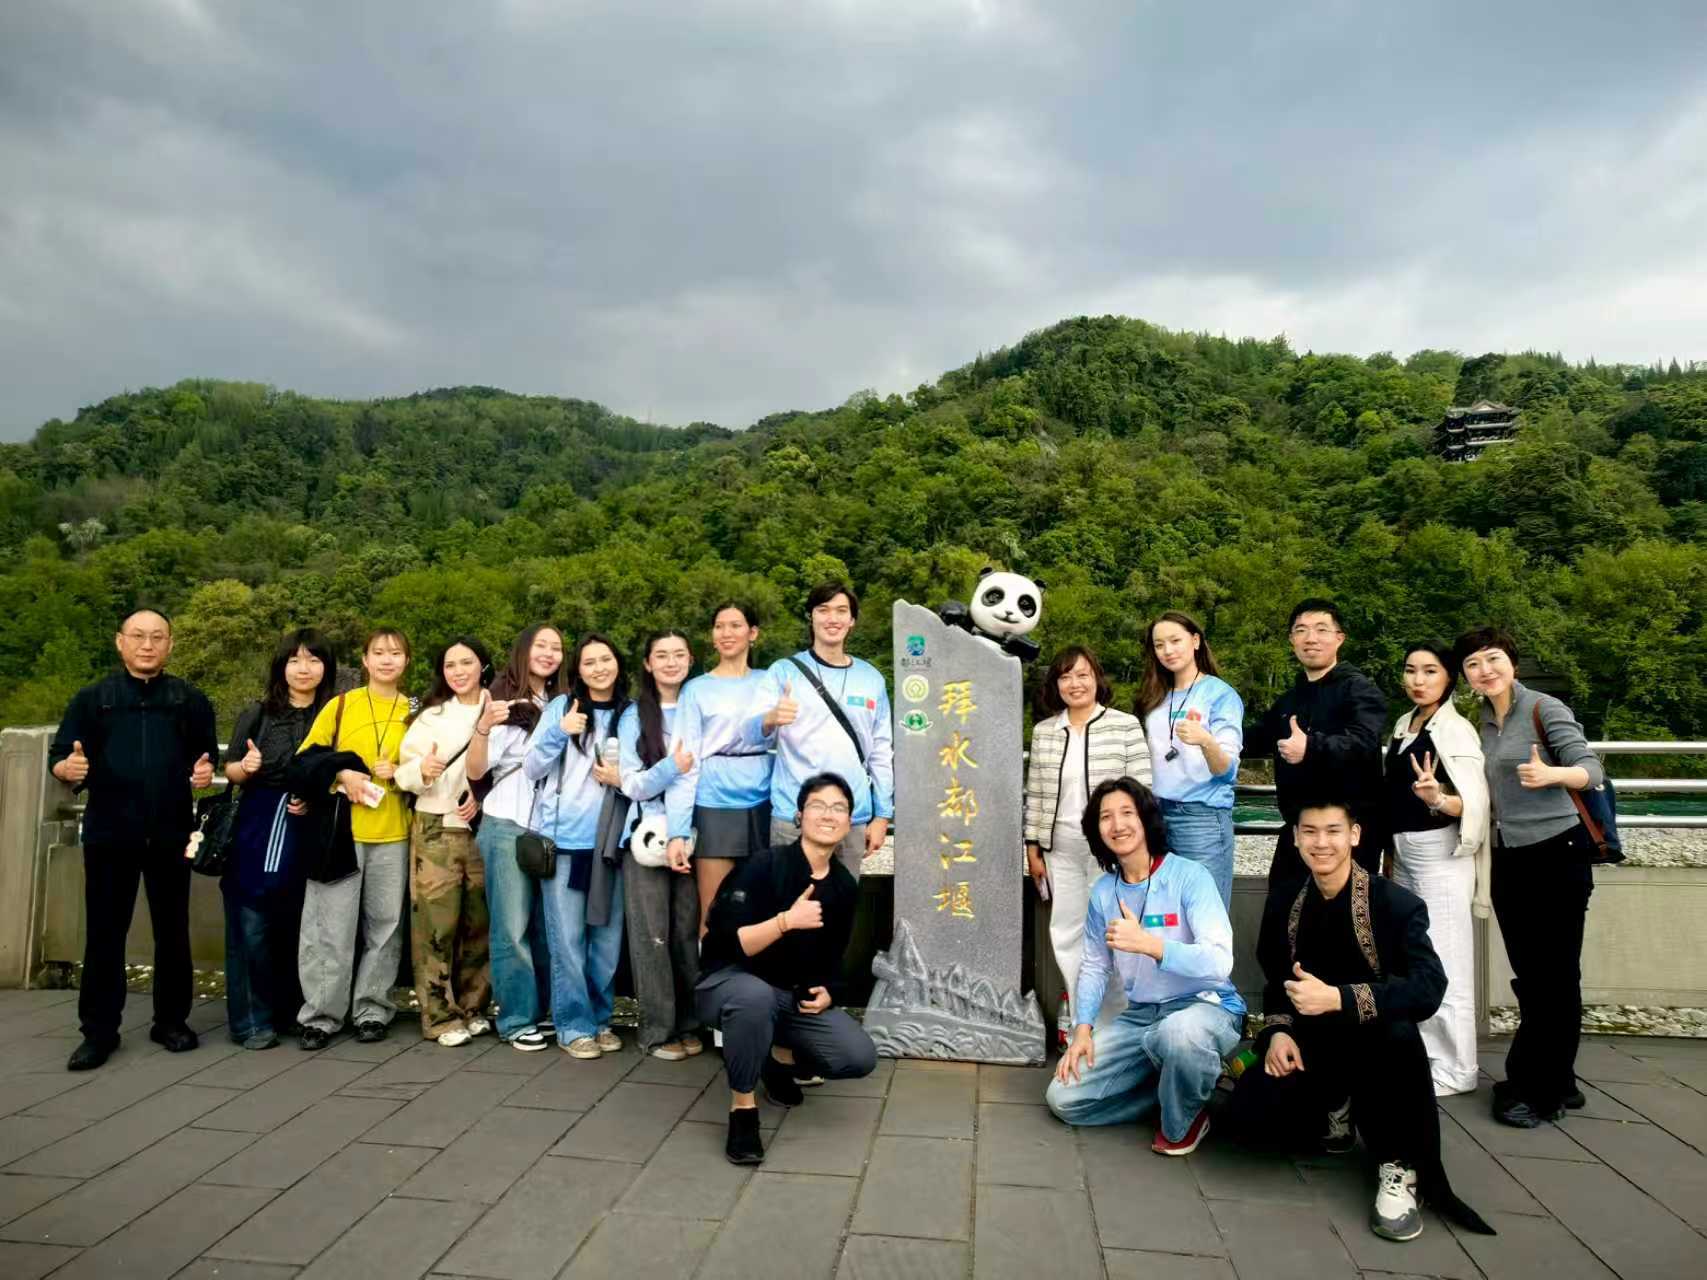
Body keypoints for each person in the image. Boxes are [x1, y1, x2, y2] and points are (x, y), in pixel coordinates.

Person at [1227, 797, 1494, 1244]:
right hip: (1312, 1043)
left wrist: (1339, 998)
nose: (1321, 842)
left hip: (1378, 1046)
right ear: (1295, 839)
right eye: (1310, 832)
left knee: (1398, 1033)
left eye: (1333, 831)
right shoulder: (1285, 902)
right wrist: (1277, 1033)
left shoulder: (1396, 904)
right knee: (1248, 1116)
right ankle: (1339, 1108)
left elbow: (1429, 988)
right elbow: (1276, 981)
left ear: (1354, 835)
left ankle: (1399, 1165)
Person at [49, 607, 219, 1071]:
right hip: (109, 831)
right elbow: (60, 756)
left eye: (157, 637)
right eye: (138, 636)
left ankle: (171, 1021)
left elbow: (205, 757)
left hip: (170, 830)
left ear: (170, 644)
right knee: (105, 933)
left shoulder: (189, 699)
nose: (148, 645)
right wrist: (67, 768)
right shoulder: (93, 699)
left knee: (172, 930)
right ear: (119, 641)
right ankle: (98, 1032)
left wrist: (204, 771)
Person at [1045, 778, 1244, 1156]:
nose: (1117, 824)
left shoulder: (1190, 876)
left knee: (1179, 1034)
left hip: (1204, 1005)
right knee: (1064, 1099)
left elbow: (1220, 961)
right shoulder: (1104, 892)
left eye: (1127, 813)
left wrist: (1151, 945)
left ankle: (1185, 1119)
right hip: (1142, 1017)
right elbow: (1094, 966)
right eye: (1106, 817)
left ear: (1146, 818)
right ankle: (1172, 1090)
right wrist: (1082, 1030)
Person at [1456, 627, 1603, 1127]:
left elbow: (1591, 769)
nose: (1485, 671)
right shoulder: (1480, 722)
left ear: (1512, 662)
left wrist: (1553, 775)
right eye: (1473, 664)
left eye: (1493, 659)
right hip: (1508, 859)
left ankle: (1528, 1087)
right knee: (1535, 974)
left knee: (1554, 975)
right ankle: (1560, 1081)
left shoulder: (1543, 708)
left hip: (1558, 852)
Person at [697, 773, 879, 1165]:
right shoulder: (764, 865)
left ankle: (773, 1061)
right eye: (818, 805)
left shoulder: (844, 887)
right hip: (728, 986)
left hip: (785, 998)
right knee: (754, 996)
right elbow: (723, 943)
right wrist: (786, 921)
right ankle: (743, 1109)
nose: (828, 815)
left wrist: (829, 990)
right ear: (799, 816)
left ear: (849, 822)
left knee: (858, 1056)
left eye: (839, 808)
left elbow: (833, 960)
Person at [293, 628, 413, 1050]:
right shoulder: (341, 705)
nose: (386, 660)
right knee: (328, 928)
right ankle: (320, 1016)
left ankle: (372, 1009)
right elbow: (305, 761)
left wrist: (400, 772)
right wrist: (342, 774)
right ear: (364, 660)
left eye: (395, 653)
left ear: (406, 661)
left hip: (395, 833)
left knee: (386, 927)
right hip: (340, 833)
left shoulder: (415, 710)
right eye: (378, 652)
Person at [220, 628, 337, 1051]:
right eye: (295, 660)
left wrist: (317, 792)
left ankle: (294, 1010)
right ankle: (251, 1020)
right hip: (262, 820)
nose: (304, 669)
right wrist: (247, 767)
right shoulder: (259, 712)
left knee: (301, 919)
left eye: (314, 659)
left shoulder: (335, 712)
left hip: (315, 823)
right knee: (253, 916)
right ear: (281, 666)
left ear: (327, 667)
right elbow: (232, 769)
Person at [1023, 646, 1152, 1026]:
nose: (1075, 684)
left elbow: (1143, 791)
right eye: (1065, 677)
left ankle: (1117, 1024)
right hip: (1060, 848)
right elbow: (1036, 794)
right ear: (1056, 685)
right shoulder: (1045, 732)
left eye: (1082, 674)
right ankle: (1084, 1020)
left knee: (1112, 929)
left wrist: (1137, 847)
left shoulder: (1125, 725)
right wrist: (1033, 847)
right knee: (1066, 931)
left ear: (1097, 678)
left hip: (1112, 847)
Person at [1382, 642, 1488, 1096]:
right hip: (1404, 850)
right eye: (1411, 670)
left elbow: (1475, 803)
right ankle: (1427, 1054)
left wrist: (1438, 798)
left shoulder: (1456, 730)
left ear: (1448, 678)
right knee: (1416, 955)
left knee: (1447, 958)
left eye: (1430, 671)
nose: (1418, 680)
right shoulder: (1406, 724)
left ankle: (1459, 1068)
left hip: (1440, 852)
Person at [525, 633, 630, 1058]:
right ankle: (573, 1025)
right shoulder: (562, 707)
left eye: (606, 659)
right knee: (567, 940)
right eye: (589, 662)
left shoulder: (631, 712)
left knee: (606, 941)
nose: (599, 668)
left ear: (618, 663)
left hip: (612, 844)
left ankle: (600, 1019)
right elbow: (532, 766)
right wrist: (560, 732)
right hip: (566, 842)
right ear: (578, 670)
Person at [465, 624, 565, 1051]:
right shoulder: (502, 699)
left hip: (550, 827)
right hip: (507, 822)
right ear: (523, 651)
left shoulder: (562, 702)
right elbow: (475, 770)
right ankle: (516, 1018)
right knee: (511, 927)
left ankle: (540, 1011)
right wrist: (484, 727)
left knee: (544, 927)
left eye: (556, 647)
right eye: (540, 645)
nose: (548, 653)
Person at [1245, 598, 1387, 895]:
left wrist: (1310, 747)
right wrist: (1208, 737)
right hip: (1298, 831)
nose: (1311, 638)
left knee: (1347, 915)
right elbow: (1252, 741)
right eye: (1301, 630)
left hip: (1348, 834)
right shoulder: (1289, 700)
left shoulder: (1359, 690)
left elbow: (1363, 741)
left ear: (1339, 638)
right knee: (1282, 911)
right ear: (1291, 640)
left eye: (1321, 629)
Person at [395, 636, 493, 1046]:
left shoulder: (501, 709)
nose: (458, 671)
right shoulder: (431, 717)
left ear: (483, 665)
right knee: (436, 926)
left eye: (466, 662)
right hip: (436, 825)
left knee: (479, 923)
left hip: (484, 829)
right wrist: (424, 768)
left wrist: (484, 797)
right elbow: (402, 773)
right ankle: (438, 1016)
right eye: (450, 665)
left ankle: (474, 1007)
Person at [760, 582, 894, 880]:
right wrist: (770, 719)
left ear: (852, 620)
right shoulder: (783, 671)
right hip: (793, 813)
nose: (832, 618)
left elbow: (881, 751)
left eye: (841, 611)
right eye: (823, 610)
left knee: (842, 902)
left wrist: (882, 815)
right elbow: (753, 735)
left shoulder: (871, 678)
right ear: (811, 616)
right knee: (788, 901)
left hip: (852, 814)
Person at [615, 630, 702, 1060]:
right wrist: (672, 766)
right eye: (661, 655)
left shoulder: (698, 706)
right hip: (646, 840)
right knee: (652, 935)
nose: (671, 662)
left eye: (679, 654)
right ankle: (655, 1030)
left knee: (686, 932)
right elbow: (631, 784)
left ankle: (689, 1023)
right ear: (648, 663)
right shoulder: (634, 716)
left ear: (691, 659)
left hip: (694, 837)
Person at [674, 602, 775, 930]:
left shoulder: (770, 681)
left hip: (765, 799)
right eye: (719, 626)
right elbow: (685, 760)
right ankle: (711, 964)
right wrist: (678, 829)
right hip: (714, 800)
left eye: (735, 625)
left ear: (753, 633)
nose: (726, 633)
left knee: (763, 907)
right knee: (714, 909)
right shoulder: (696, 689)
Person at [1136, 612, 1243, 906]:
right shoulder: (1155, 696)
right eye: (1159, 645)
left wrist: (1205, 740)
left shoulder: (1220, 694)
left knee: (1204, 912)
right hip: (1155, 817)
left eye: (1175, 641)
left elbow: (1228, 771)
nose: (1167, 651)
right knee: (1166, 913)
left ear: (1195, 641)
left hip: (1201, 819)